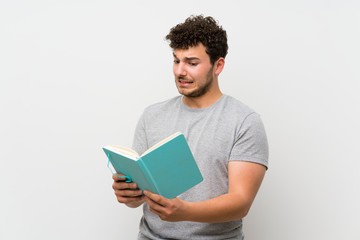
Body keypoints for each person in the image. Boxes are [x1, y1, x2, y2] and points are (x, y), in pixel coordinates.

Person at [112, 15, 269, 240]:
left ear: (218, 65)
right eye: (176, 61)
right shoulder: (152, 116)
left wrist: (185, 212)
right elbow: (140, 197)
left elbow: (241, 202)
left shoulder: (244, 121)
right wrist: (130, 195)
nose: (179, 71)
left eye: (192, 63)